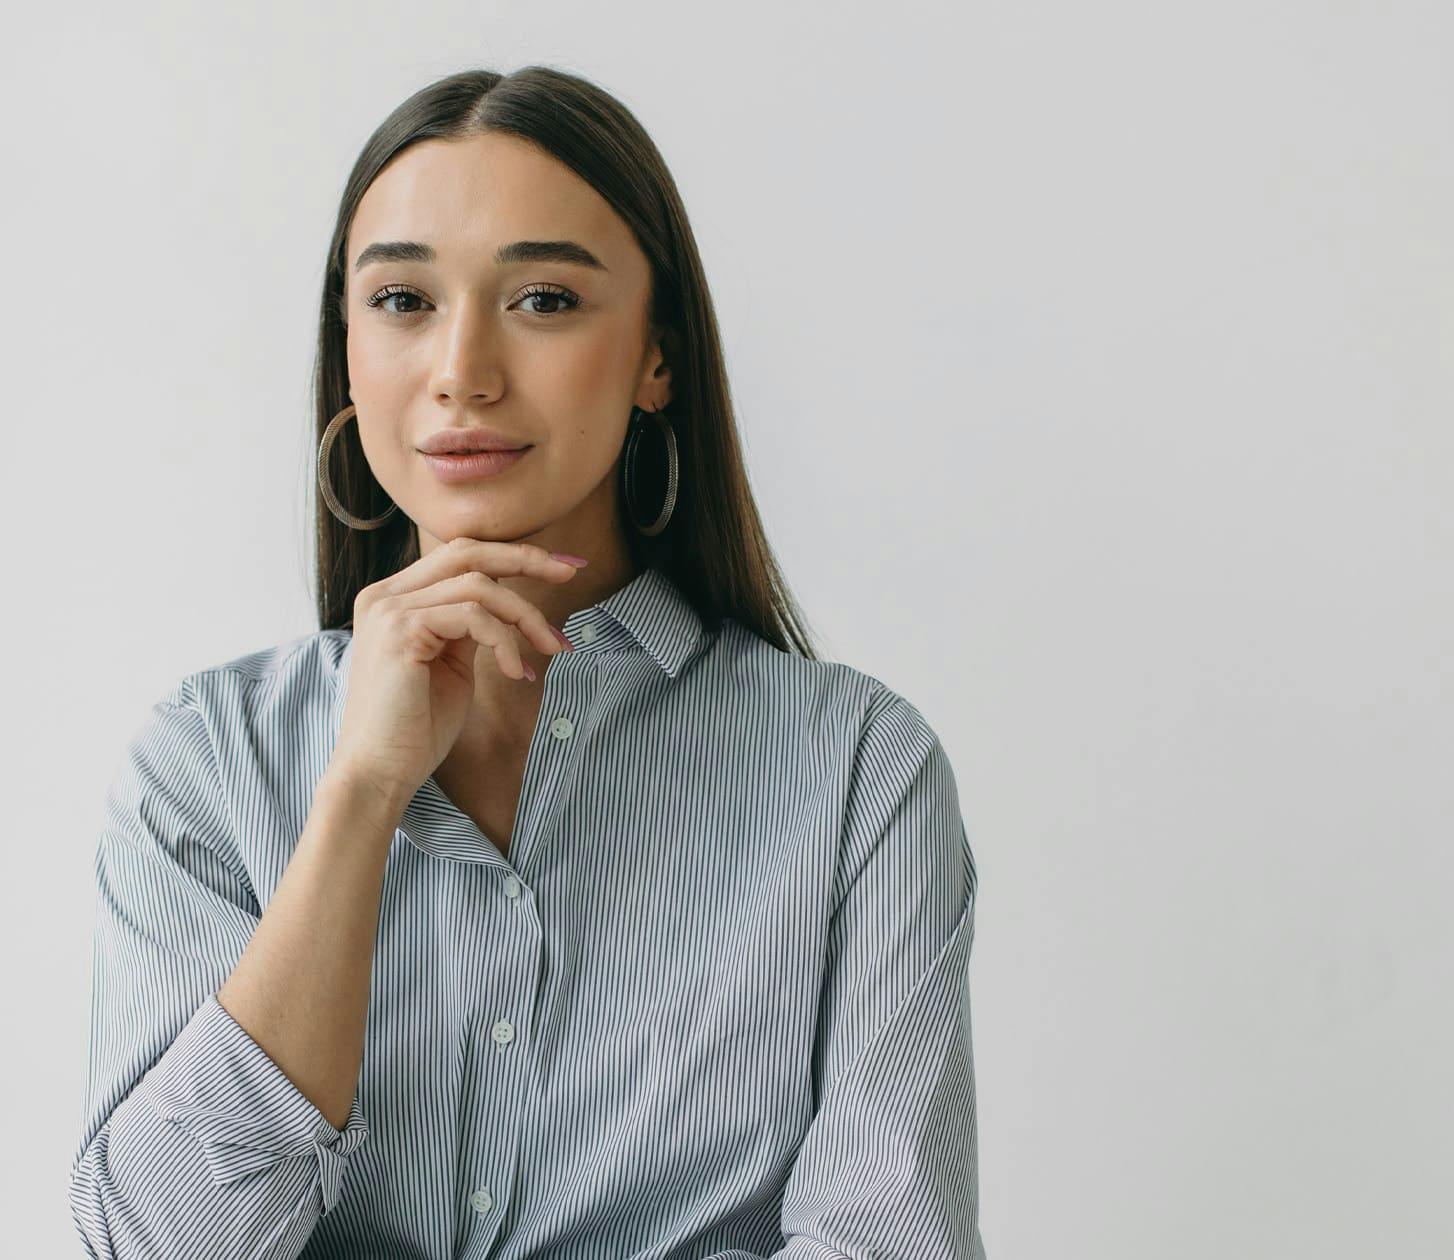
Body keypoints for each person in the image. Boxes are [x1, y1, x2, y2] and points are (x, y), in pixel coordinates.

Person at [68, 64, 984, 1260]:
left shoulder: (858, 773)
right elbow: (156, 1245)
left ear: (656, 358)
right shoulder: (205, 760)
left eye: (543, 297)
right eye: (400, 299)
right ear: (346, 352)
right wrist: (356, 798)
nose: (463, 369)